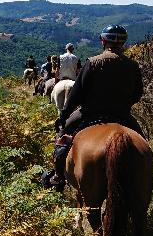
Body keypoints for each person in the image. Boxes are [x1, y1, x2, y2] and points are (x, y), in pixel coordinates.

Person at [45, 25, 144, 190]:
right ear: (123, 42)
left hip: (90, 112)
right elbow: (137, 94)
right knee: (142, 141)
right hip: (122, 114)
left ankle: (58, 176)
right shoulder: (132, 65)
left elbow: (76, 94)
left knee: (62, 139)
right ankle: (145, 179)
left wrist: (64, 116)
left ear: (103, 41)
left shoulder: (93, 62)